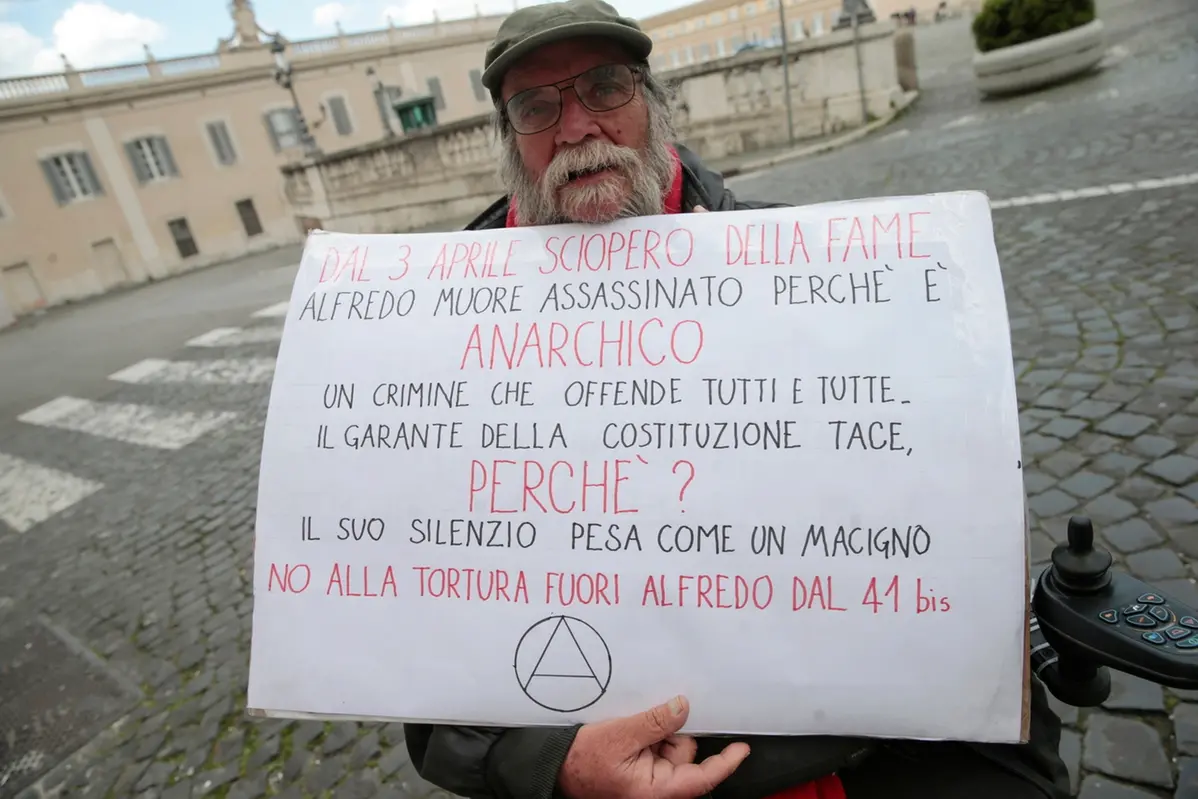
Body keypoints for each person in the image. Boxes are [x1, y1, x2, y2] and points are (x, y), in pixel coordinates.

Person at [404, 2, 1073, 797]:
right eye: (536, 105)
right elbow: (432, 700)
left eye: (606, 85)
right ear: (510, 138)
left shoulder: (809, 276)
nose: (577, 125)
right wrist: (557, 764)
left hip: (855, 750)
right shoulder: (445, 336)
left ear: (652, 102)